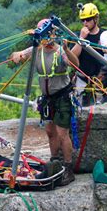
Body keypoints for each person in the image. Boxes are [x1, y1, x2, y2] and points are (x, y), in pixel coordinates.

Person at [10, 18, 80, 186]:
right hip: (47, 98)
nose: (45, 39)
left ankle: (68, 169)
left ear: (53, 34)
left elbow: (75, 64)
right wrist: (17, 56)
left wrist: (67, 50)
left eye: (47, 35)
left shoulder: (60, 51)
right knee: (50, 132)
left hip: (62, 96)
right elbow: (16, 56)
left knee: (63, 134)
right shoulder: (37, 49)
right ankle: (54, 163)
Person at [71, 3, 105, 106]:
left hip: (101, 80)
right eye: (83, 20)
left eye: (88, 19)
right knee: (79, 109)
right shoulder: (78, 36)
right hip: (82, 80)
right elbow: (72, 56)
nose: (85, 23)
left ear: (96, 18)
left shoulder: (105, 35)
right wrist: (81, 39)